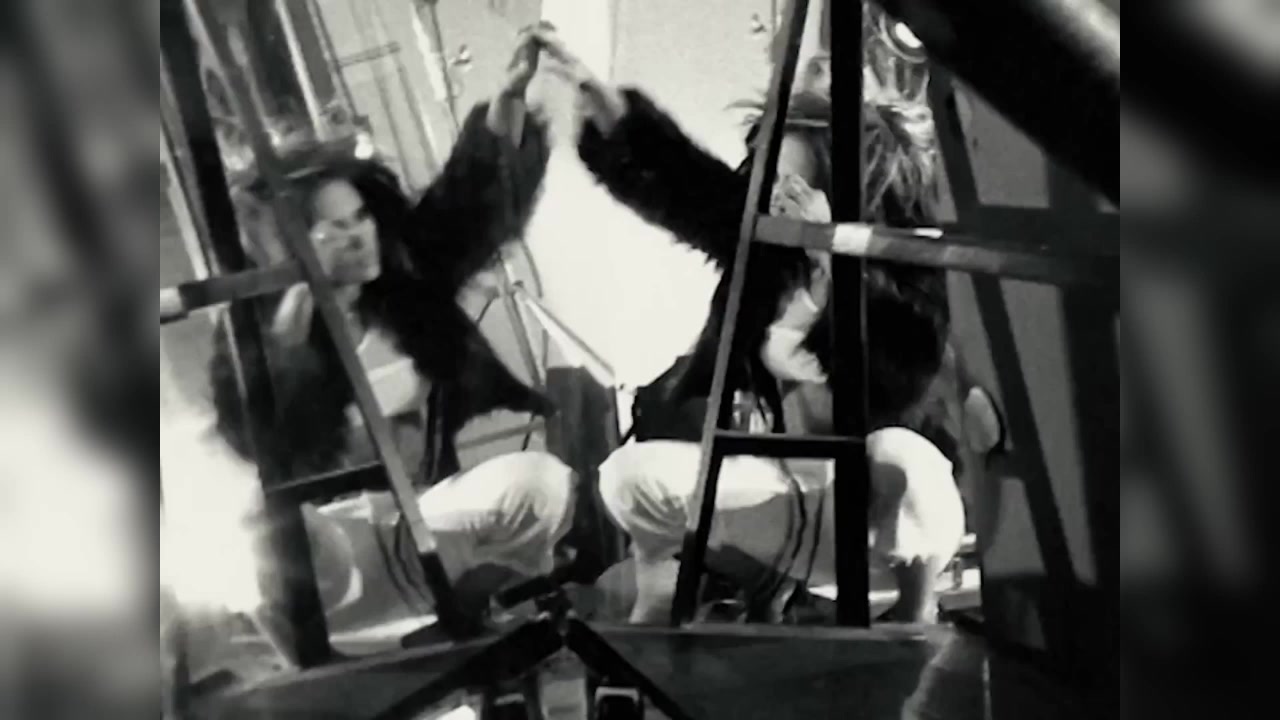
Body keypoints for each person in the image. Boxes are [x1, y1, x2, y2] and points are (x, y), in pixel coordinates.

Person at [535, 22, 966, 624]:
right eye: (767, 183)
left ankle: (915, 609)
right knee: (633, 475)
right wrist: (614, 113)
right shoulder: (761, 251)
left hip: (871, 506)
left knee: (907, 458)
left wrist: (832, 256)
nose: (774, 196)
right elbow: (687, 186)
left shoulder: (901, 258)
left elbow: (902, 373)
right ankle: (691, 602)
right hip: (785, 492)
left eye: (791, 184)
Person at [207, 30, 575, 632]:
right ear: (288, 243)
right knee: (264, 532)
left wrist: (507, 104)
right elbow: (258, 439)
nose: (359, 235)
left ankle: (474, 610)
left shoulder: (405, 287)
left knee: (538, 484)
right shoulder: (256, 331)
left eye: (360, 218)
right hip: (334, 550)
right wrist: (297, 319)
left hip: (423, 521)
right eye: (334, 228)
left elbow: (467, 206)